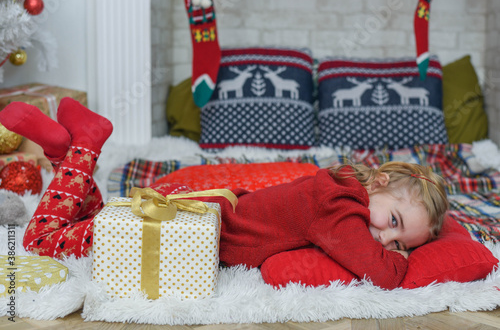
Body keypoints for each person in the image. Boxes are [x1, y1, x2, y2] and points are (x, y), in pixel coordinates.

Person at [0, 99, 449, 289]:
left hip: (197, 212)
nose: (383, 240)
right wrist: (401, 261)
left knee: (94, 225)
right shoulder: (341, 210)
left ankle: (61, 151)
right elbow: (383, 276)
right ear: (380, 184)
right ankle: (85, 144)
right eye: (392, 223)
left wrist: (397, 240)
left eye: (397, 243)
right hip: (181, 229)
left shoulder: (335, 185)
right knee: (41, 243)